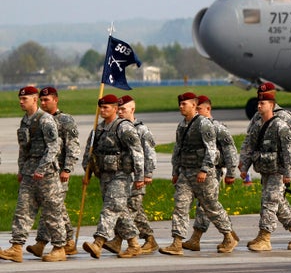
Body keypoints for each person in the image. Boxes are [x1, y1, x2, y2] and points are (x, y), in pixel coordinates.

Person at [159, 92, 238, 255]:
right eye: (180, 104)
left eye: (184, 104)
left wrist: (205, 169)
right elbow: (178, 149)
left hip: (203, 174)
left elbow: (212, 150)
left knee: (210, 207)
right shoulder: (181, 126)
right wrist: (175, 171)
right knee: (180, 205)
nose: (181, 107)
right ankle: (177, 242)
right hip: (185, 173)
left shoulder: (204, 124)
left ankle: (229, 236)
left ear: (194, 106)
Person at [0, 86, 66, 263]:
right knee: (23, 210)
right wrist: (21, 169)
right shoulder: (25, 121)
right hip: (29, 173)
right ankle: (16, 247)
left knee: (52, 212)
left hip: (46, 175)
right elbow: (23, 149)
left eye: (25, 99)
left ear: (34, 99)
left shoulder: (45, 120)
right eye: (20, 99)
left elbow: (54, 147)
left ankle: (60, 247)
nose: (21, 102)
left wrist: (42, 169)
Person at [239, 92, 291, 251]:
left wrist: (289, 171)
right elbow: (249, 146)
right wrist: (244, 167)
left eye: (263, 103)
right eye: (258, 102)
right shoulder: (257, 124)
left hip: (278, 170)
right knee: (279, 204)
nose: (259, 105)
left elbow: (290, 150)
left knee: (270, 200)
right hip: (265, 169)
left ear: (271, 104)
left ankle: (265, 237)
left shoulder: (281, 125)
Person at [81, 94, 146, 259]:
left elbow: (137, 152)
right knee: (120, 211)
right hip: (104, 175)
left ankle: (98, 242)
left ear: (115, 109)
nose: (102, 110)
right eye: (101, 108)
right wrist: (86, 172)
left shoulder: (123, 127)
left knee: (110, 208)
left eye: (106, 107)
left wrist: (140, 176)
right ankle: (134, 244)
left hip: (121, 175)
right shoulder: (98, 129)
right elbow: (89, 152)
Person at [25, 87, 81, 258]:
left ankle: (44, 243)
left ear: (56, 100)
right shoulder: (39, 119)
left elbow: (73, 146)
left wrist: (67, 169)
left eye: (46, 100)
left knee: (53, 207)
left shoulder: (65, 120)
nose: (43, 103)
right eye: (41, 100)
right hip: (45, 171)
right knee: (56, 208)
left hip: (59, 171)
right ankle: (67, 242)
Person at [182, 95, 239, 251]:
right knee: (205, 205)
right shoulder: (193, 126)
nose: (196, 111)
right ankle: (201, 238)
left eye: (199, 108)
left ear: (208, 108)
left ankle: (225, 236)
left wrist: (231, 172)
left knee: (208, 205)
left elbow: (230, 150)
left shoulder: (217, 127)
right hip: (195, 171)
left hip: (213, 171)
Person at [102, 95, 159, 255]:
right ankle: (149, 239)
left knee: (128, 209)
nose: (120, 112)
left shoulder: (140, 130)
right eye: (118, 109)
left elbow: (149, 153)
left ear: (132, 110)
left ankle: (121, 241)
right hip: (122, 177)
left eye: (123, 109)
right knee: (134, 211)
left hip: (136, 178)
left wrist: (147, 174)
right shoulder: (117, 128)